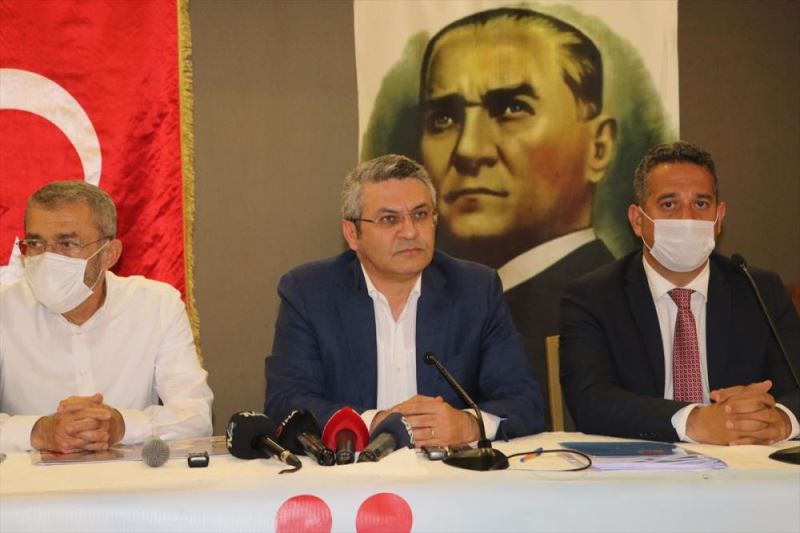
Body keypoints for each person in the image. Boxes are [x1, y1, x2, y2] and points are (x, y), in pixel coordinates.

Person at [417, 7, 617, 423]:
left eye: (511, 108)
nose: (469, 150)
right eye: (444, 118)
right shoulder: (432, 302)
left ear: (598, 147)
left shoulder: (604, 307)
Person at [265, 155, 543, 446]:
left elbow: (525, 402)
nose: (410, 232)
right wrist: (375, 423)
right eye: (389, 219)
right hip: (352, 469)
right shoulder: (309, 292)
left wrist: (469, 425)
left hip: (446, 470)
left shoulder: (475, 290)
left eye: (420, 214)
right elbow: (286, 402)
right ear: (352, 233)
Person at [560, 141, 800, 444]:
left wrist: (779, 420)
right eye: (669, 205)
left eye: (700, 204)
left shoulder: (760, 290)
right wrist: (694, 421)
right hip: (643, 463)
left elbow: (796, 387)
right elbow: (591, 401)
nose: (687, 218)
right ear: (638, 220)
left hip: (742, 462)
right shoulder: (592, 297)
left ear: (719, 217)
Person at [0, 181, 213, 453]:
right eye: (35, 243)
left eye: (67, 243)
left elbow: (196, 417)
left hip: (130, 479)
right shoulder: (4, 308)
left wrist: (122, 426)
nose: (48, 257)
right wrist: (39, 432)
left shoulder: (157, 305)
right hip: (27, 480)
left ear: (109, 254)